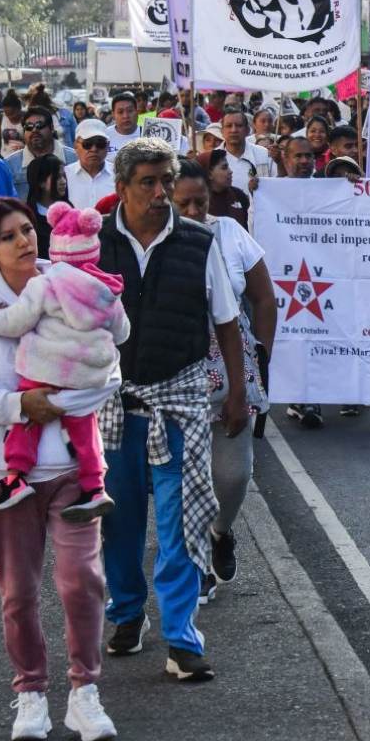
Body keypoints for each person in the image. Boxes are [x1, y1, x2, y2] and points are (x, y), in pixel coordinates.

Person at [0, 198, 119, 741]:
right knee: (18, 593)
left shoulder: (71, 282)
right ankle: (30, 693)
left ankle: (84, 693)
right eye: (8, 236)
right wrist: (25, 407)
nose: (24, 241)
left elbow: (109, 362)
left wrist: (65, 404)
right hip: (4, 472)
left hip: (73, 468)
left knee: (82, 583)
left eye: (28, 229)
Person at [95, 138, 249, 680]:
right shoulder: (91, 244)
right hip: (113, 404)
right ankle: (127, 614)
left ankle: (182, 638)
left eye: (166, 181)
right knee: (119, 521)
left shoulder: (199, 242)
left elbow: (225, 322)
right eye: (149, 183)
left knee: (181, 524)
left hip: (179, 401)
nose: (161, 193)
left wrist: (236, 391)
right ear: (122, 189)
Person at [170, 160, 277, 601]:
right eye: (185, 203)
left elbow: (264, 297)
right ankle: (196, 567)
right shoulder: (159, 240)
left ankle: (220, 530)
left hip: (230, 362)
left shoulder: (231, 233)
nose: (195, 210)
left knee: (232, 474)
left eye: (201, 201)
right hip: (175, 368)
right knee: (182, 478)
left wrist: (262, 353)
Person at [0, 202, 127, 516]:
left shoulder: (45, 283)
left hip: (47, 368)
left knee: (27, 414)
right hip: (89, 374)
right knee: (84, 424)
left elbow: (17, 321)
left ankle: (16, 475)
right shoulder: (107, 288)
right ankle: (95, 487)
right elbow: (123, 332)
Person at [6, 104, 75, 200]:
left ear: (51, 128)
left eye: (39, 125)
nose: (34, 130)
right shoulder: (9, 165)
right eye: (29, 127)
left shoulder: (74, 159)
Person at [64, 120, 116, 210]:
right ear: (76, 146)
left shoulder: (119, 175)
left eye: (100, 144)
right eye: (87, 144)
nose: (94, 149)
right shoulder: (64, 176)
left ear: (108, 146)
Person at [219, 108, 272, 195]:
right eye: (229, 126)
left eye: (239, 125)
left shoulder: (263, 154)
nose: (234, 130)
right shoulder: (212, 158)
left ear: (247, 130)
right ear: (222, 131)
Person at [202, 150, 250, 228]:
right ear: (209, 173)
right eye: (224, 168)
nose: (230, 171)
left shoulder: (239, 195)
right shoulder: (200, 202)